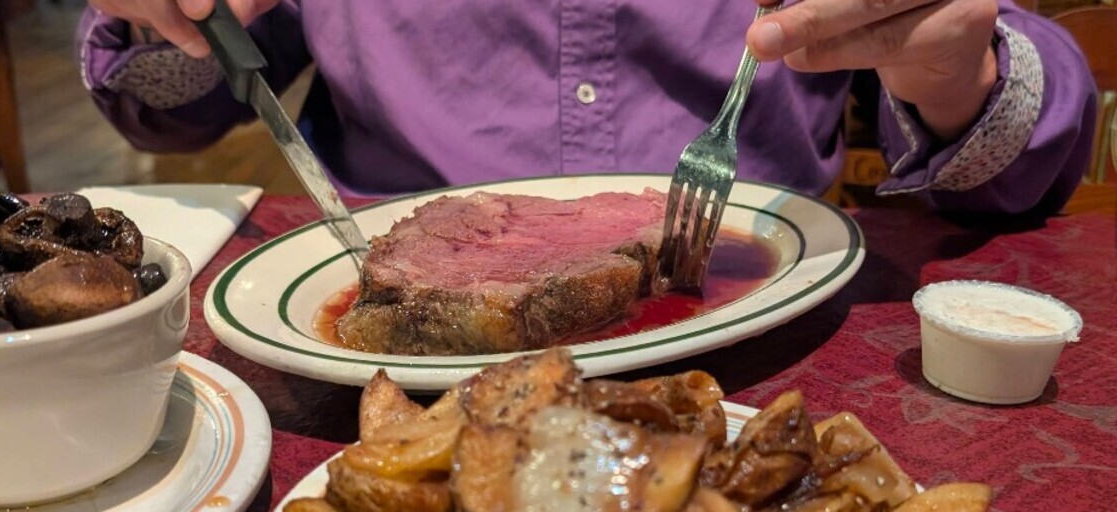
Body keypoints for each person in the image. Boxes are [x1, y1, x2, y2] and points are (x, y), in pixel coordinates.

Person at [77, 0, 1096, 216]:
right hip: (384, 335)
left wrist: (953, 75)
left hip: (762, 327)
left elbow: (1030, 137)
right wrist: (169, 20)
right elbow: (176, 114)